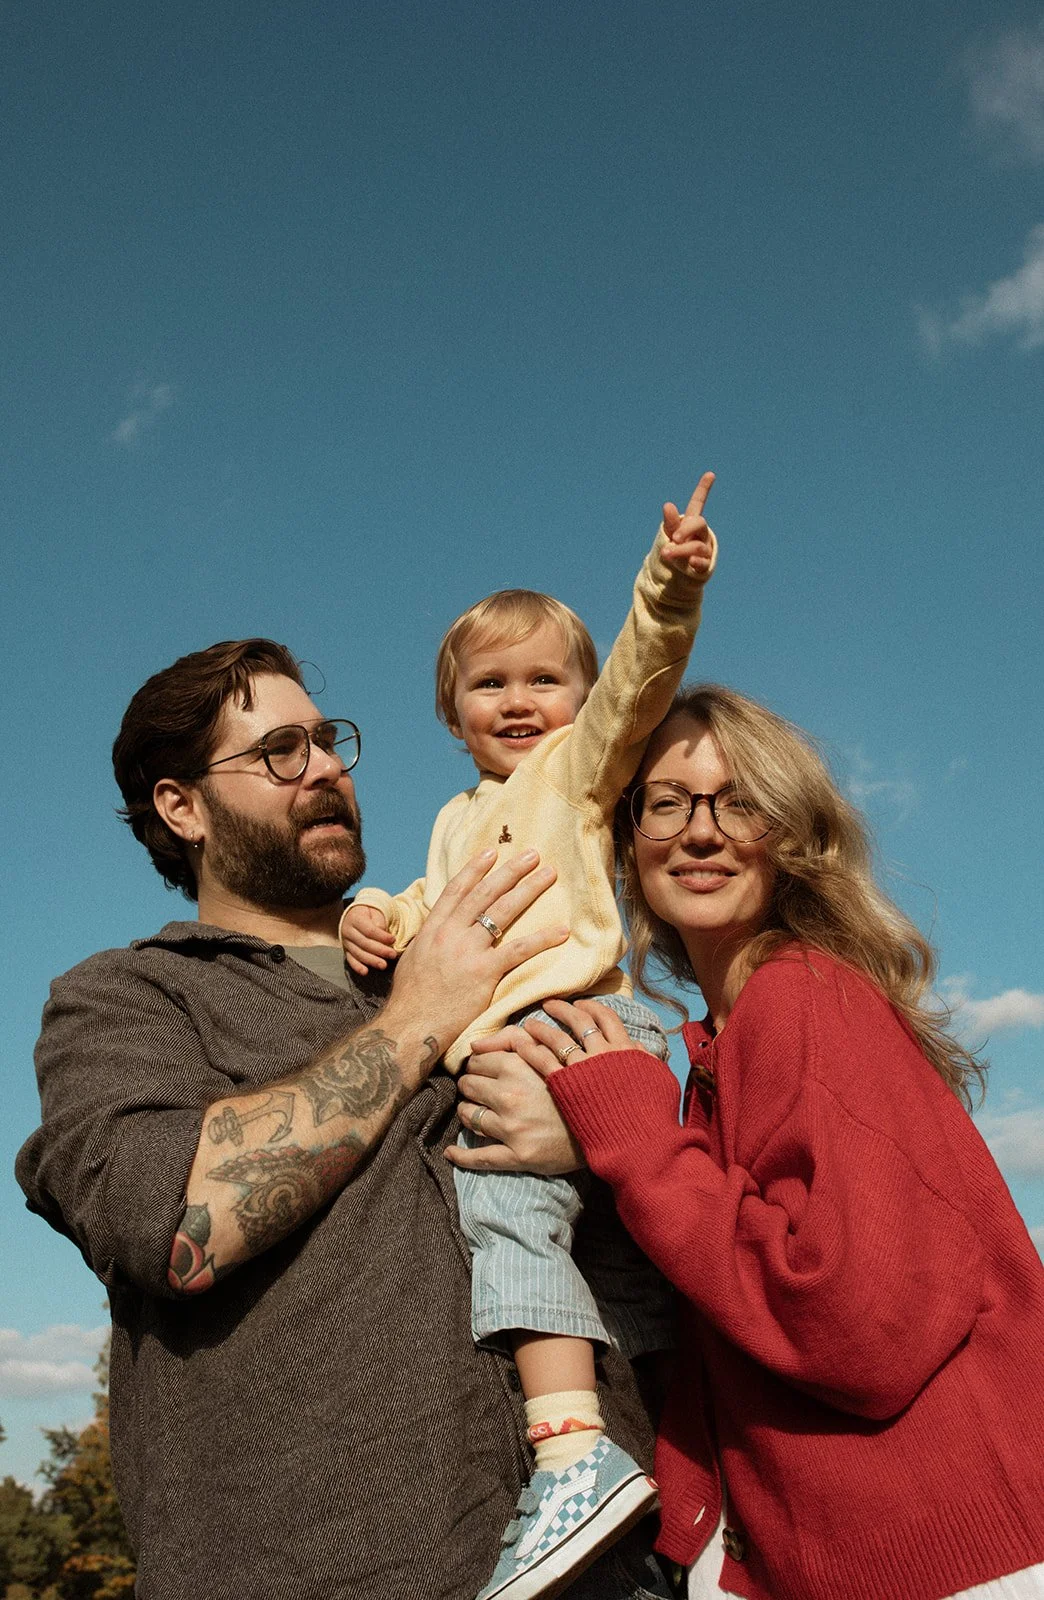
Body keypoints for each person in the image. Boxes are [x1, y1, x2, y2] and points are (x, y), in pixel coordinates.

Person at [15, 638, 675, 1600]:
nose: (325, 766)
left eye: (328, 740)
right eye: (280, 749)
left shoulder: (484, 965)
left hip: (610, 1566)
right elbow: (166, 1226)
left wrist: (602, 1123)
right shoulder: (129, 999)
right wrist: (418, 1019)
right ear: (182, 806)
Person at [450, 684, 1044, 1600]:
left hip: (946, 1561)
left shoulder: (805, 995)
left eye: (741, 802)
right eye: (666, 803)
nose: (701, 831)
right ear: (621, 842)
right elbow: (734, 1278)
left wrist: (629, 1134)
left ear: (795, 838)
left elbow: (861, 1326)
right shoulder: (715, 1053)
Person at [340, 482, 717, 1599]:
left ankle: (568, 1452)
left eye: (545, 679)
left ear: (584, 700)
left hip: (564, 1026)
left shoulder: (576, 773)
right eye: (489, 683)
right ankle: (689, 1452)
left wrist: (672, 583)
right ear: (452, 711)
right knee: (625, 1267)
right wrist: (380, 913)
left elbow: (644, 675)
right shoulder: (458, 819)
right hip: (570, 1032)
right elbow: (430, 913)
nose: (519, 701)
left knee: (497, 1193)